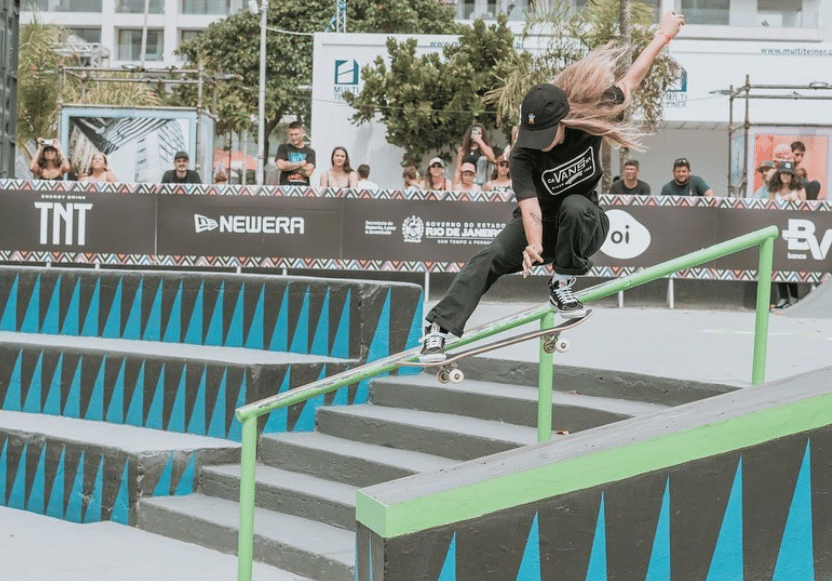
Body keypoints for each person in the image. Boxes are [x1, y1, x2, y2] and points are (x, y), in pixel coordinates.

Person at [418, 10, 687, 363]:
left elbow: (631, 79)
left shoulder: (592, 115)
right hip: (539, 225)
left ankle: (562, 285)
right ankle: (439, 331)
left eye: (548, 135)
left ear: (565, 119)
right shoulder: (522, 155)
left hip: (584, 224)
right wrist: (532, 244)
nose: (542, 143)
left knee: (575, 205)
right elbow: (529, 206)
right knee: (490, 256)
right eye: (535, 137)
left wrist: (663, 35)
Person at [454, 123, 497, 187]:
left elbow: (492, 158)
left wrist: (480, 141)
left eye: (479, 133)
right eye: (474, 132)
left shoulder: (485, 148)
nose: (477, 135)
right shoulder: (463, 150)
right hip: (465, 183)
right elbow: (458, 170)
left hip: (481, 183)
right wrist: (454, 186)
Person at [276, 121, 316, 186]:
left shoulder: (310, 151)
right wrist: (300, 164)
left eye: (296, 134)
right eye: (291, 135)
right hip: (285, 189)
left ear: (303, 133)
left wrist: (288, 166)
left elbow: (308, 172)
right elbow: (280, 166)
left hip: (303, 190)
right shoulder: (283, 148)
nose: (294, 137)